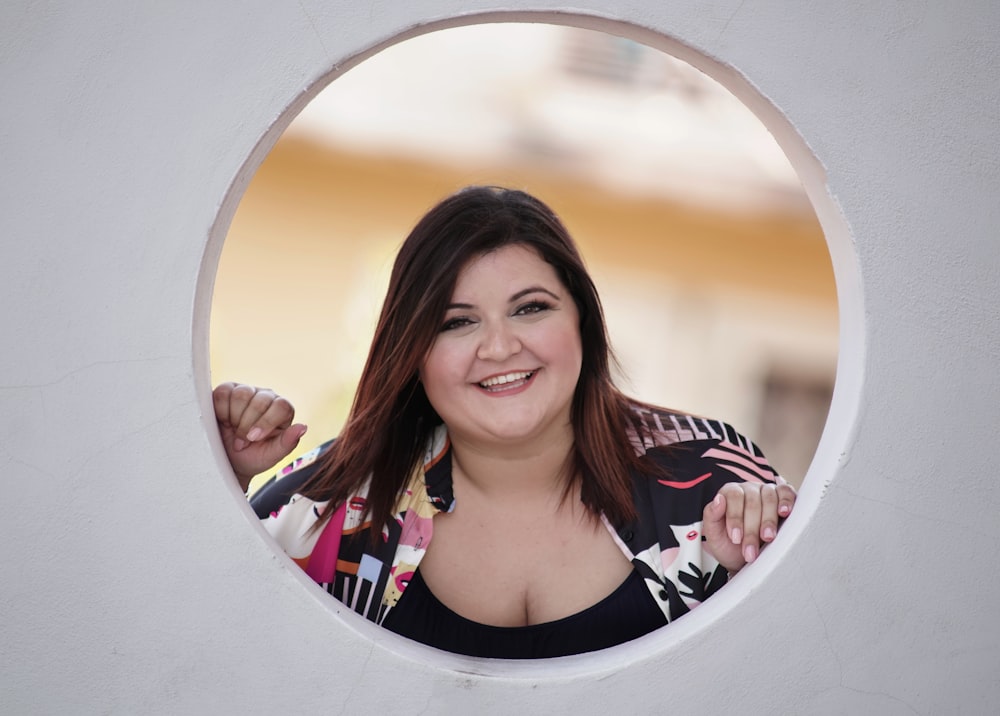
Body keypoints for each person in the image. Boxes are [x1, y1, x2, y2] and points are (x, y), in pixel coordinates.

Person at [214, 186, 796, 659]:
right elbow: (206, 642)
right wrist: (221, 482)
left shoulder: (711, 476)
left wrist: (758, 565)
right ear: (413, 353)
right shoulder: (333, 504)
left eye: (531, 308)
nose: (498, 347)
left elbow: (812, 654)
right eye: (457, 322)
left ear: (583, 324)